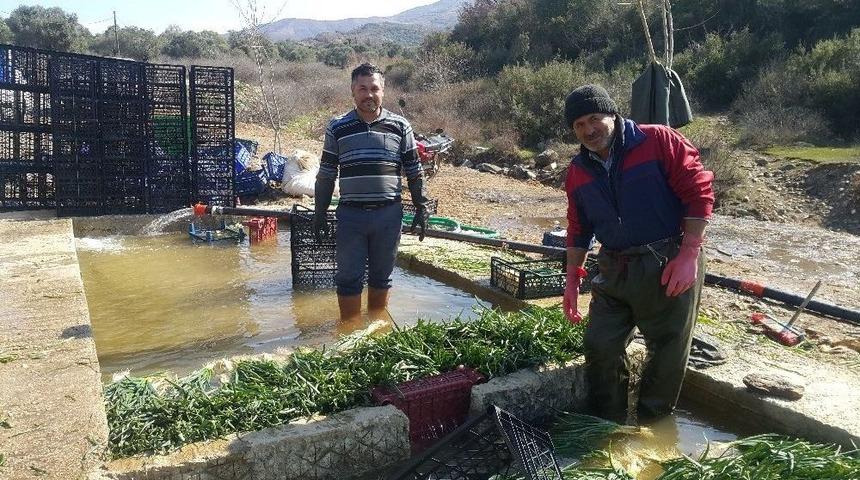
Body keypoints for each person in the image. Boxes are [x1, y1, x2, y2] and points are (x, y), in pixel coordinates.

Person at [561, 84, 714, 423]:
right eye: (578, 125)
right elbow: (578, 227)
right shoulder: (578, 170)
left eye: (594, 118)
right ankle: (608, 424)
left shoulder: (659, 141)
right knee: (600, 344)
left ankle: (651, 425)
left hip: (668, 259)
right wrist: (572, 279)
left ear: (613, 114)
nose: (588, 130)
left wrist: (688, 255)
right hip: (614, 265)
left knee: (668, 350)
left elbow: (699, 193)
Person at [313, 63, 430, 323]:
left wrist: (422, 208)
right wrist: (319, 214)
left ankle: (375, 332)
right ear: (353, 92)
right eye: (362, 88)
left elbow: (414, 170)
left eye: (374, 88)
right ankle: (349, 333)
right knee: (347, 279)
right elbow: (326, 173)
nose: (369, 94)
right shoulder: (338, 127)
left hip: (388, 215)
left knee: (381, 277)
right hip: (351, 216)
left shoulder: (400, 126)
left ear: (383, 91)